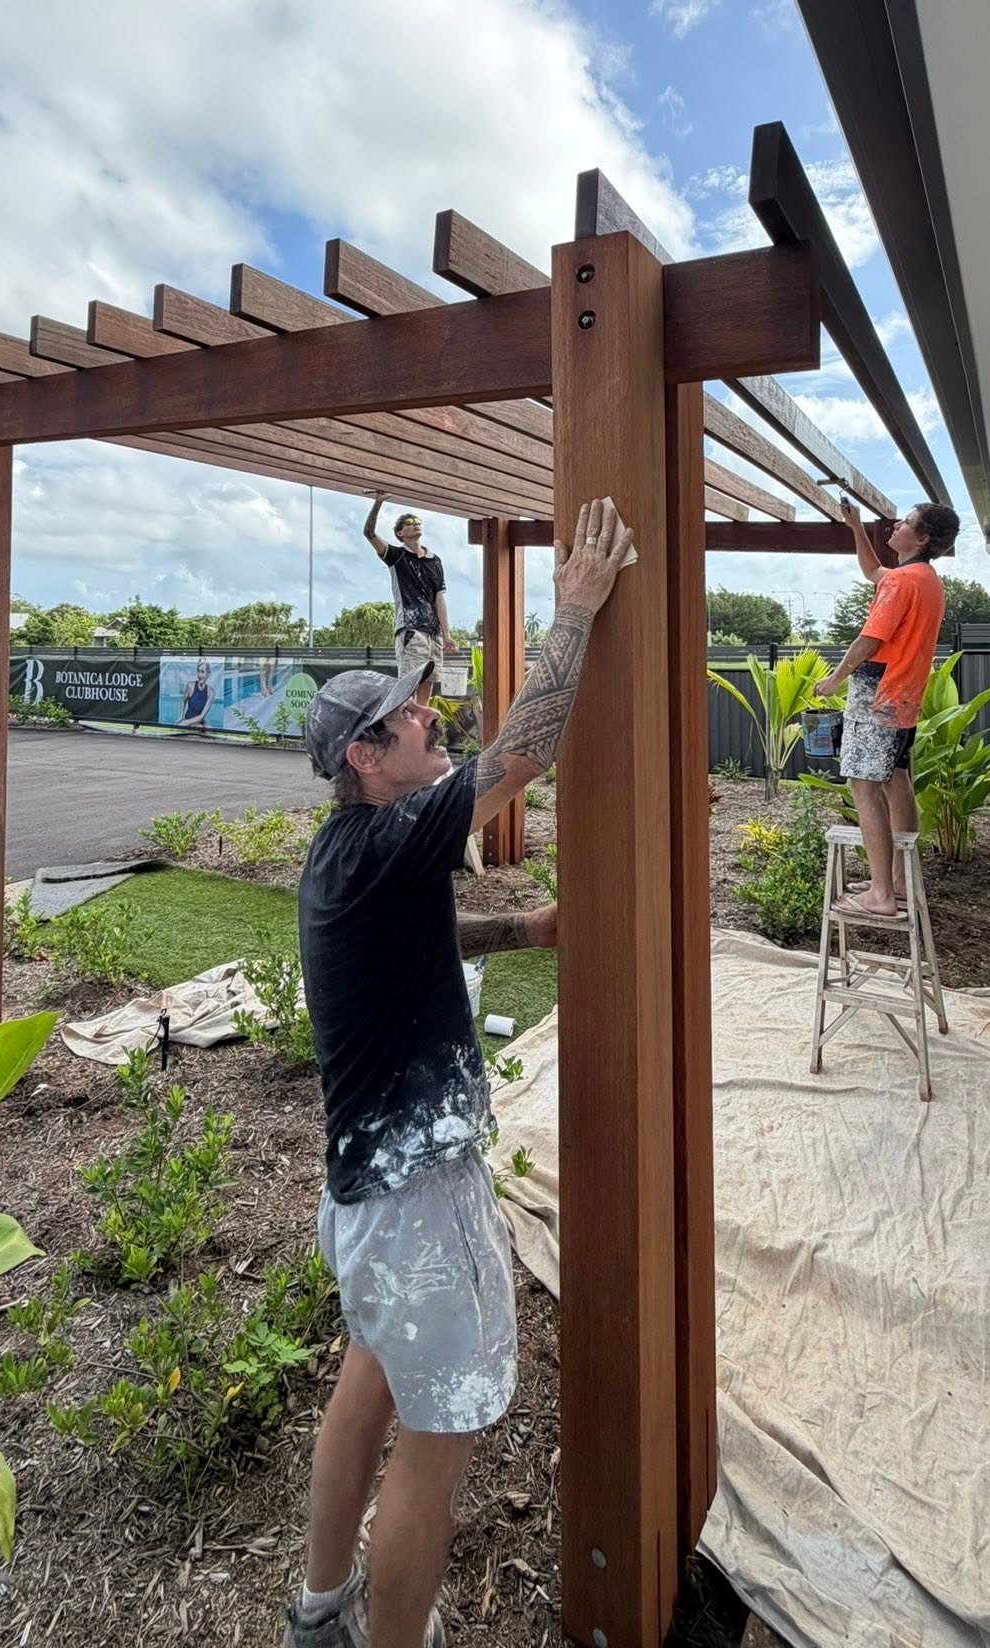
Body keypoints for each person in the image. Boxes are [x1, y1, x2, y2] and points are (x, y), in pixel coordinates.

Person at [284, 498, 635, 1648]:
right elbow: (527, 747)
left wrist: (524, 930)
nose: (427, 711)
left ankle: (318, 1611)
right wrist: (574, 611)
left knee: (368, 1382)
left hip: (364, 1198)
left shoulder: (349, 855)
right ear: (363, 756)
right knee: (433, 1448)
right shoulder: (392, 834)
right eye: (405, 714)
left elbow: (419, 938)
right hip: (419, 1203)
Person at [814, 499, 961, 918]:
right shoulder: (924, 579)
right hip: (904, 696)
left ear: (923, 537)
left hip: (878, 693)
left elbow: (870, 640)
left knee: (863, 787)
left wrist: (834, 679)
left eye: (907, 522)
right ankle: (897, 880)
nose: (896, 525)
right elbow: (872, 572)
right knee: (897, 781)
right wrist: (856, 528)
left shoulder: (901, 582)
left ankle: (880, 895)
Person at [362, 499, 459, 694]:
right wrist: (379, 502)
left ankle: (422, 716)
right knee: (409, 684)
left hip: (433, 633)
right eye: (409, 523)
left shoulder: (434, 560)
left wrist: (446, 635)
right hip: (411, 628)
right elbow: (369, 533)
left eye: (417, 521)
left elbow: (439, 598)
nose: (415, 524)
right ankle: (405, 714)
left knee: (428, 682)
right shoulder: (396, 556)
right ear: (400, 534)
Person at [174, 656, 214, 730]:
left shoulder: (211, 692)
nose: (199, 675)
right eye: (198, 671)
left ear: (208, 673)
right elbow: (183, 701)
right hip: (189, 718)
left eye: (202, 672)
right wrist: (181, 717)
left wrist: (184, 723)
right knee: (200, 727)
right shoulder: (190, 686)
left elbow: (201, 716)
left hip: (199, 720)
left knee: (212, 729)